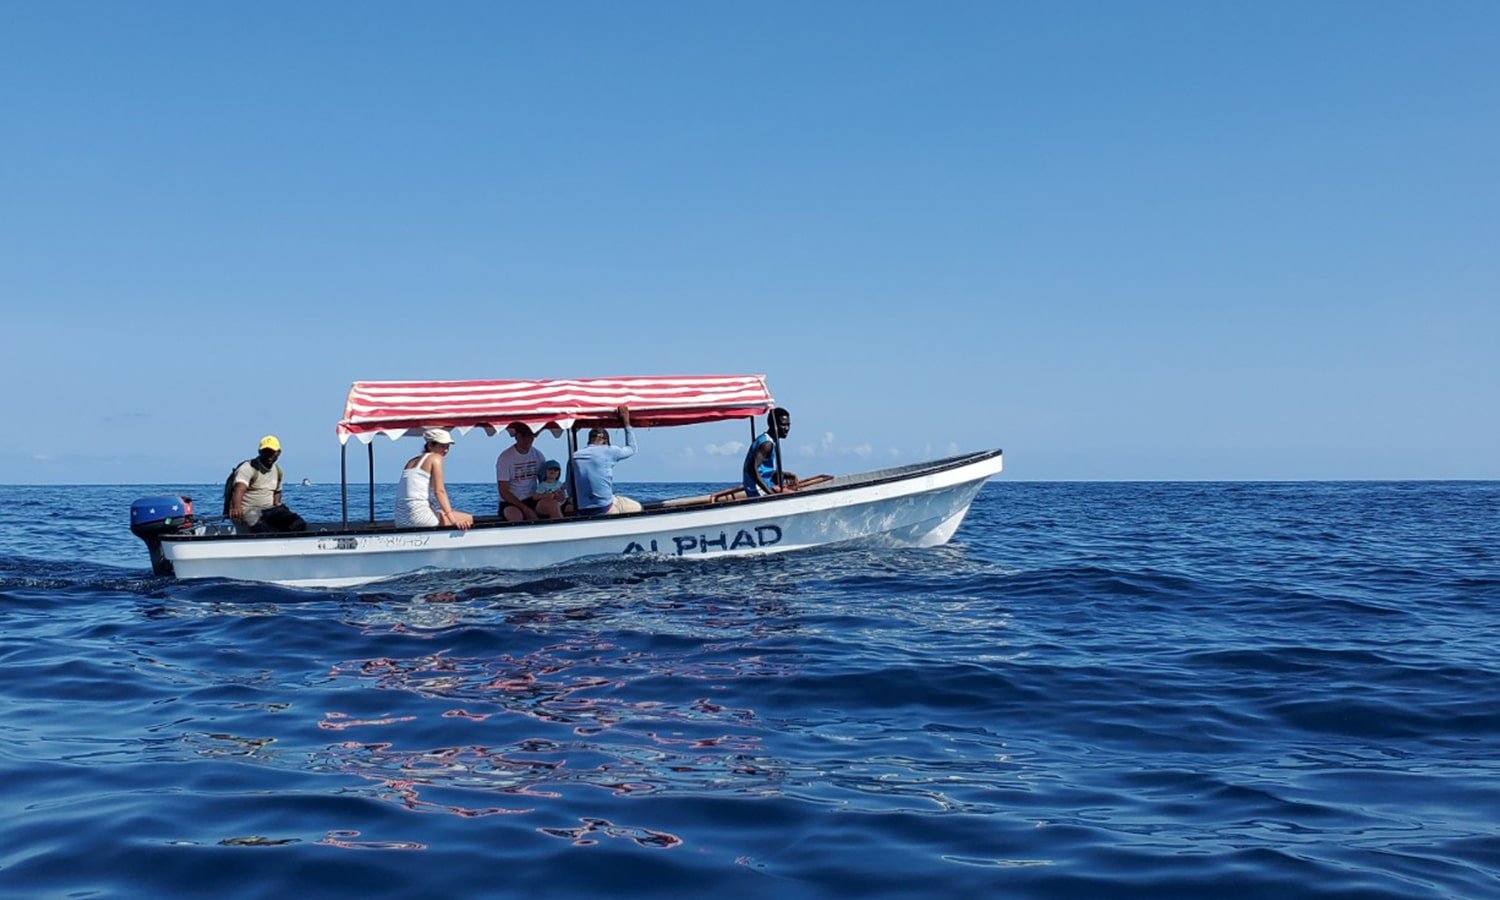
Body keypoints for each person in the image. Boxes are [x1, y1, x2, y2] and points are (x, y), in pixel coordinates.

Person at [394, 429, 474, 529]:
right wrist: (453, 521)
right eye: (442, 446)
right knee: (468, 518)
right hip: (419, 519)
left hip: (400, 521)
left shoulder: (411, 462)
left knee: (440, 512)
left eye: (447, 447)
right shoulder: (436, 458)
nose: (445, 450)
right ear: (430, 445)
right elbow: (439, 492)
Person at [226, 435, 307, 532]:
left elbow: (277, 491)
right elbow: (239, 489)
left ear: (278, 453)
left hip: (269, 510)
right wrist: (236, 508)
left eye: (272, 452)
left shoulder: (278, 470)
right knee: (264, 530)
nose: (269, 455)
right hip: (249, 510)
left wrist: (278, 504)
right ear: (259, 452)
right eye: (265, 451)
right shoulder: (248, 468)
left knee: (298, 523)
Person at [570, 404, 639, 516]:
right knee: (637, 507)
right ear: (605, 440)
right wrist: (626, 421)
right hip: (604, 508)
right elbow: (632, 448)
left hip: (582, 509)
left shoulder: (574, 456)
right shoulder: (609, 451)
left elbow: (570, 488)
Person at [496, 422, 563, 522]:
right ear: (516, 437)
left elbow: (545, 482)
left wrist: (557, 493)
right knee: (515, 517)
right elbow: (504, 492)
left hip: (533, 498)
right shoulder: (505, 458)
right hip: (511, 502)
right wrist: (525, 509)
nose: (527, 440)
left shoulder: (538, 455)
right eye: (523, 436)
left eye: (530, 436)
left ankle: (558, 534)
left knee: (553, 505)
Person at [742, 407, 798, 498]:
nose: (786, 429)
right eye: (783, 425)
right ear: (772, 425)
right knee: (794, 495)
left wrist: (784, 474)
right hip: (757, 489)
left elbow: (763, 470)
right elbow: (751, 469)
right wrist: (770, 493)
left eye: (788, 425)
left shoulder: (770, 440)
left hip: (767, 484)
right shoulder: (767, 444)